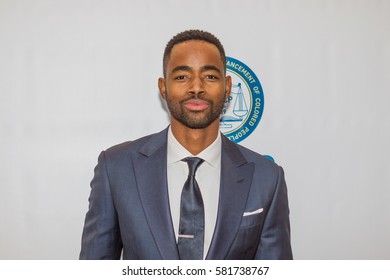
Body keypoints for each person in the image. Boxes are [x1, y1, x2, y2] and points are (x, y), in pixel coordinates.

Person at [79, 29, 292, 260]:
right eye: (182, 77)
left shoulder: (267, 178)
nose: (196, 87)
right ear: (163, 87)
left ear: (228, 86)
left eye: (210, 76)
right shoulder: (116, 168)